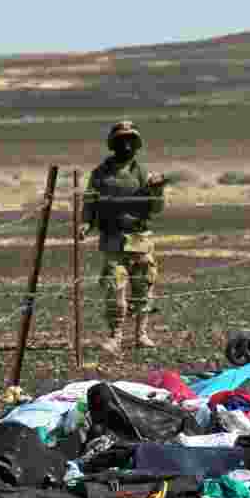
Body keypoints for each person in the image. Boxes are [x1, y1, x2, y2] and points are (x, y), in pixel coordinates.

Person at [81, 120, 166, 355]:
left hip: (140, 240)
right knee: (114, 289)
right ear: (114, 143)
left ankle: (141, 334)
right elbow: (89, 202)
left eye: (130, 140)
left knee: (143, 288)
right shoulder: (100, 174)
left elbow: (156, 208)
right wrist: (85, 223)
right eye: (121, 140)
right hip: (113, 240)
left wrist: (157, 191)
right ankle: (115, 336)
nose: (126, 144)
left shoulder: (145, 173)